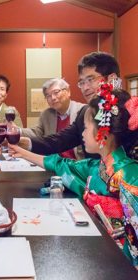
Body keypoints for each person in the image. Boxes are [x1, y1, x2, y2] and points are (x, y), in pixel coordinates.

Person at [9, 85, 138, 266]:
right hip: (98, 251)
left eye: (85, 128)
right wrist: (23, 153)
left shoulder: (130, 177)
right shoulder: (98, 167)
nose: (82, 133)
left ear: (104, 134)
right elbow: (63, 164)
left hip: (118, 263)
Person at [20, 52, 138, 161]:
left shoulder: (133, 111)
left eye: (90, 80)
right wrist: (26, 143)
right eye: (81, 82)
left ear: (111, 79)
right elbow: (59, 141)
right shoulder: (85, 113)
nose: (85, 88)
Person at [22, 78, 85, 159]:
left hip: (78, 164)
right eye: (48, 96)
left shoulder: (82, 111)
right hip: (53, 164)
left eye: (56, 92)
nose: (53, 98)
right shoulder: (46, 114)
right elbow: (37, 133)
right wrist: (17, 131)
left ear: (68, 91)